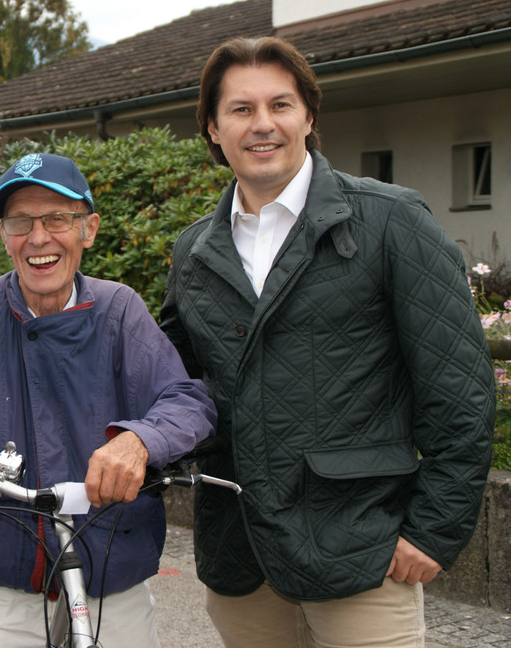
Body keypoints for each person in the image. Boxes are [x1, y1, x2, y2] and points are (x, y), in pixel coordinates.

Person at [159, 36, 495, 647]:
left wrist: (432, 532)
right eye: (240, 109)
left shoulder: (392, 221)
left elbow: (461, 392)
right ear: (211, 127)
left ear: (309, 117)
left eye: (280, 105)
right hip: (241, 556)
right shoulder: (194, 251)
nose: (263, 125)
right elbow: (176, 385)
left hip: (361, 551)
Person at [0, 152, 217, 647]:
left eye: (58, 219)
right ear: (3, 234)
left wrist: (140, 440)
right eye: (20, 221)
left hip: (110, 569)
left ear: (88, 228)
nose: (38, 238)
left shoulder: (119, 312)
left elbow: (186, 399)